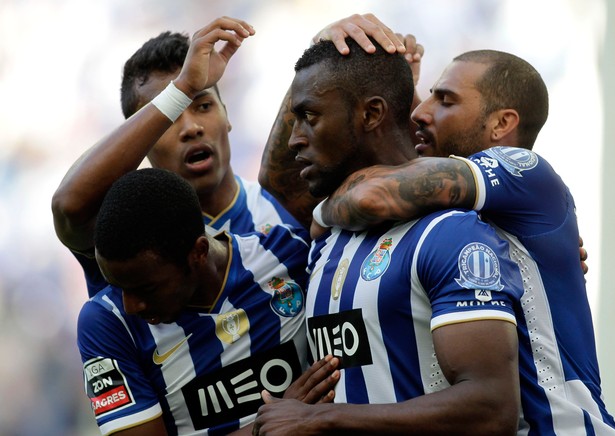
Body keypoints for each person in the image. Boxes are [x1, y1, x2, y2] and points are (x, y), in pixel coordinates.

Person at [257, 14, 615, 435]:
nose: (422, 112)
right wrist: (332, 59)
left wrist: (320, 212)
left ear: (502, 123)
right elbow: (283, 185)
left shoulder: (523, 170)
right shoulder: (443, 215)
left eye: (444, 100)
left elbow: (374, 193)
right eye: (423, 97)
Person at [253, 37, 528, 435]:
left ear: (371, 114)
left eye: (309, 117)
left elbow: (491, 409)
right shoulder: (327, 242)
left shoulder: (450, 231)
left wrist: (320, 419)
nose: (295, 137)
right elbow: (275, 182)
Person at [51, 17, 303, 297]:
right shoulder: (131, 242)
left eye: (204, 105)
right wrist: (182, 87)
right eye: (169, 118)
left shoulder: (290, 207)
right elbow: (69, 208)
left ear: (227, 114)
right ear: (141, 142)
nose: (191, 128)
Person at [77, 167, 339, 435]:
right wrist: (275, 422)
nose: (131, 305)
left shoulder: (286, 253)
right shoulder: (107, 321)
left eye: (146, 288)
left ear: (199, 252)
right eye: (117, 286)